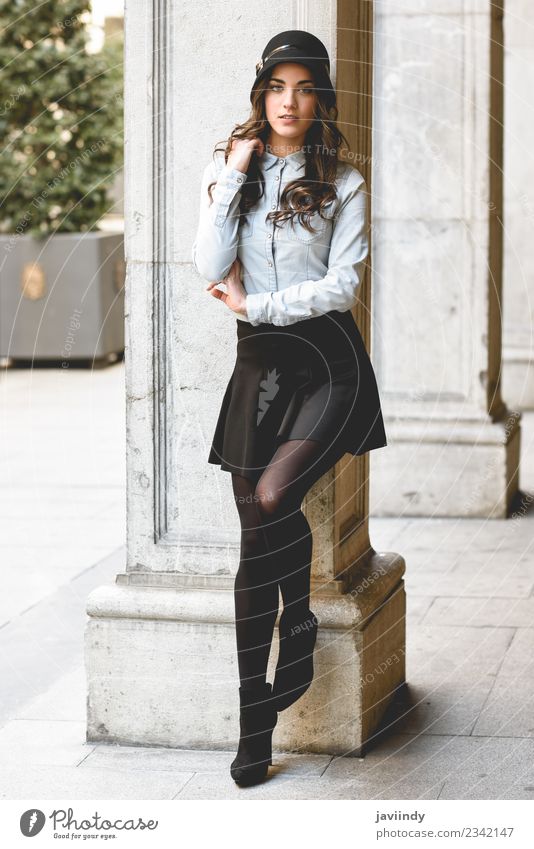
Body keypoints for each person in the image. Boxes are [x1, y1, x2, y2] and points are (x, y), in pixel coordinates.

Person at [192, 29, 387, 787]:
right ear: (260, 93)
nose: (290, 102)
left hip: (328, 363)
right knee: (254, 533)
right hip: (262, 368)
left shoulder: (345, 179)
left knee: (274, 495)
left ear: (321, 99)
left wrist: (262, 303)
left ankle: (298, 626)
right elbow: (208, 268)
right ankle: (254, 723)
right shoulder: (227, 168)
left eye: (305, 88)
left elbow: (343, 287)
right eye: (278, 87)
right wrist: (237, 176)